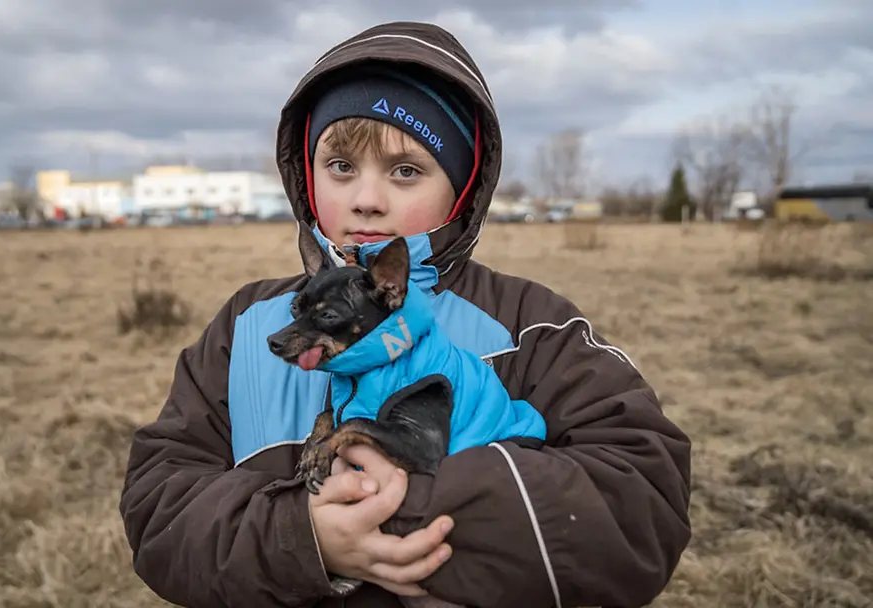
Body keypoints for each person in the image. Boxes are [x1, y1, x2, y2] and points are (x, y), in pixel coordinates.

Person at [119, 20, 692, 608]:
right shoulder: (246, 327)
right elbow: (157, 506)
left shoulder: (530, 326)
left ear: (463, 191)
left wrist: (402, 506)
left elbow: (643, 504)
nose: (366, 198)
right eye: (341, 166)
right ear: (306, 178)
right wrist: (301, 537)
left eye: (406, 170)